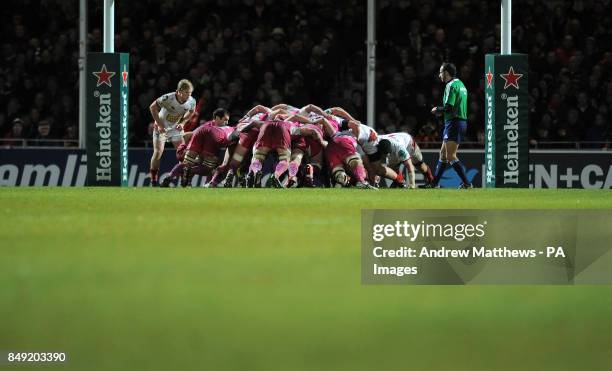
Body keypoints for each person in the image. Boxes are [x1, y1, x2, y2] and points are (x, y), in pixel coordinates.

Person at [428, 62, 472, 188]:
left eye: (441, 72)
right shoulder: (461, 84)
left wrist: (437, 110)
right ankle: (434, 184)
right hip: (461, 122)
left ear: (446, 73)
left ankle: (467, 183)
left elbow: (448, 107)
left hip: (454, 122)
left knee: (450, 156)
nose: (439, 75)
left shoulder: (450, 85)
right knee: (443, 154)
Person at [148, 79, 196, 186]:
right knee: (158, 152)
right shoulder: (168, 98)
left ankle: (185, 180)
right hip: (161, 128)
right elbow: (152, 107)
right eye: (186, 93)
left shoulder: (191, 101)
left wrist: (183, 122)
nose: (189, 95)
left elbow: (192, 111)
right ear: (179, 91)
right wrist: (160, 124)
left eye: (190, 93)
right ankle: (154, 180)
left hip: (175, 129)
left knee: (182, 154)